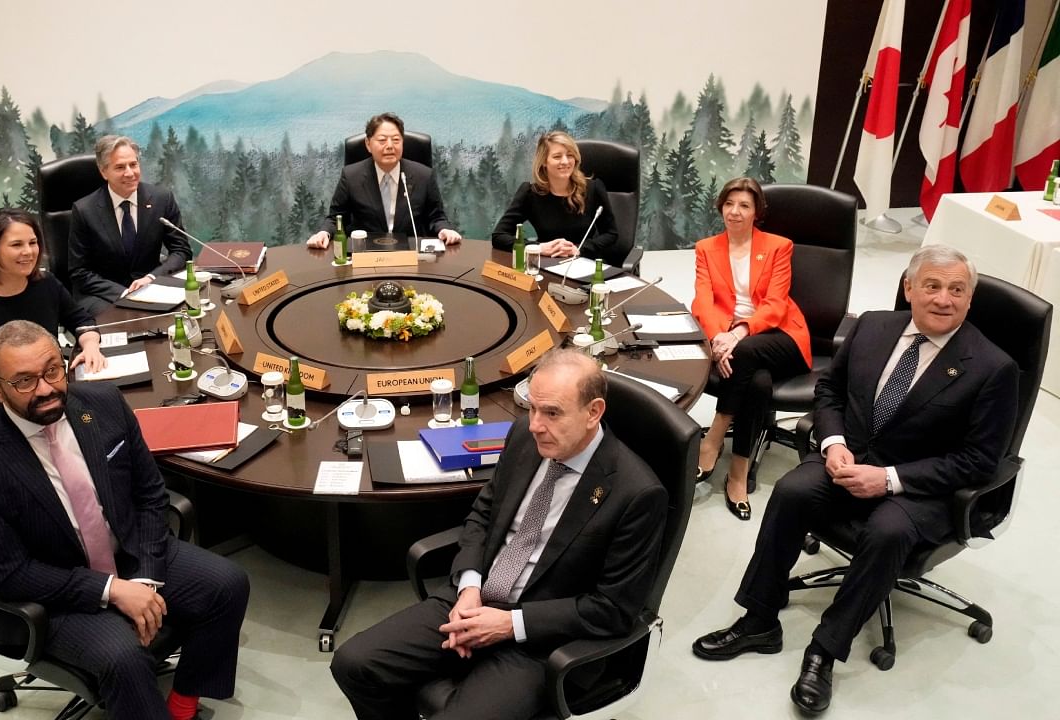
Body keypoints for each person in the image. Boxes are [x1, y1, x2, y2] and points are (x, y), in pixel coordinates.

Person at [691, 245, 1018, 714]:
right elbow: (829, 391)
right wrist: (833, 443)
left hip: (921, 484)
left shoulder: (992, 368)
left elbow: (980, 461)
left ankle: (824, 650)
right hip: (848, 458)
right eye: (932, 286)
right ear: (909, 288)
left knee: (887, 532)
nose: (944, 299)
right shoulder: (872, 326)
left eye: (957, 290)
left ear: (970, 298)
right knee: (791, 491)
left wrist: (888, 479)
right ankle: (759, 619)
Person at [331, 347, 667, 720]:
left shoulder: (637, 494)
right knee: (353, 663)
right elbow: (484, 513)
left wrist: (510, 624)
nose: (537, 424)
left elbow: (612, 610)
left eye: (552, 413)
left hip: (541, 642)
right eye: (532, 408)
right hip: (476, 602)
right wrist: (470, 586)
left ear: (594, 413)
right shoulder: (526, 436)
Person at [0, 320, 250, 720]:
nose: (46, 389)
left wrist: (143, 578)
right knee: (125, 658)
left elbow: (150, 495)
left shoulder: (103, 402)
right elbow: (11, 574)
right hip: (54, 592)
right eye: (24, 381)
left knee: (227, 584)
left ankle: (183, 703)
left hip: (125, 552)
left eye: (52, 370)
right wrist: (112, 591)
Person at [691, 177, 811, 520]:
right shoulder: (705, 248)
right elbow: (703, 300)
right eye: (729, 204)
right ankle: (739, 473)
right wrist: (717, 337)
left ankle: (713, 439)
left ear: (757, 211)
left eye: (744, 205)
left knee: (744, 354)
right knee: (757, 383)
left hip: (780, 336)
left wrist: (737, 335)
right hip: (732, 343)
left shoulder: (778, 246)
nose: (735, 212)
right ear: (720, 208)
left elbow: (775, 305)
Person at [0, 208, 106, 373]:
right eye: (17, 244)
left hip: (54, 379)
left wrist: (91, 346)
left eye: (33, 242)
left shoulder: (47, 283)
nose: (29, 252)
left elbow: (82, 321)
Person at [68, 135, 192, 315]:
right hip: (104, 295)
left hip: (153, 287)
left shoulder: (161, 199)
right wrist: (125, 293)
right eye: (120, 167)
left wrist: (152, 278)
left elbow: (181, 250)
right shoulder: (84, 210)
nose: (129, 173)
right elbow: (79, 271)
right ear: (103, 172)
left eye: (133, 164)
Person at [307, 112, 462, 248]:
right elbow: (336, 218)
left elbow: (436, 217)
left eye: (396, 140)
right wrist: (324, 233)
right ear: (368, 144)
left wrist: (445, 230)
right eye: (382, 140)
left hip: (412, 257)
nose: (390, 146)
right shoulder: (351, 176)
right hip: (367, 256)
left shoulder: (424, 175)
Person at [491, 131, 618, 261]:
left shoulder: (593, 188)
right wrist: (539, 248)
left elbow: (611, 234)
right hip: (546, 264)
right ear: (544, 162)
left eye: (570, 155)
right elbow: (499, 236)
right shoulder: (530, 193)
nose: (565, 161)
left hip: (584, 261)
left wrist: (579, 249)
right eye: (557, 157)